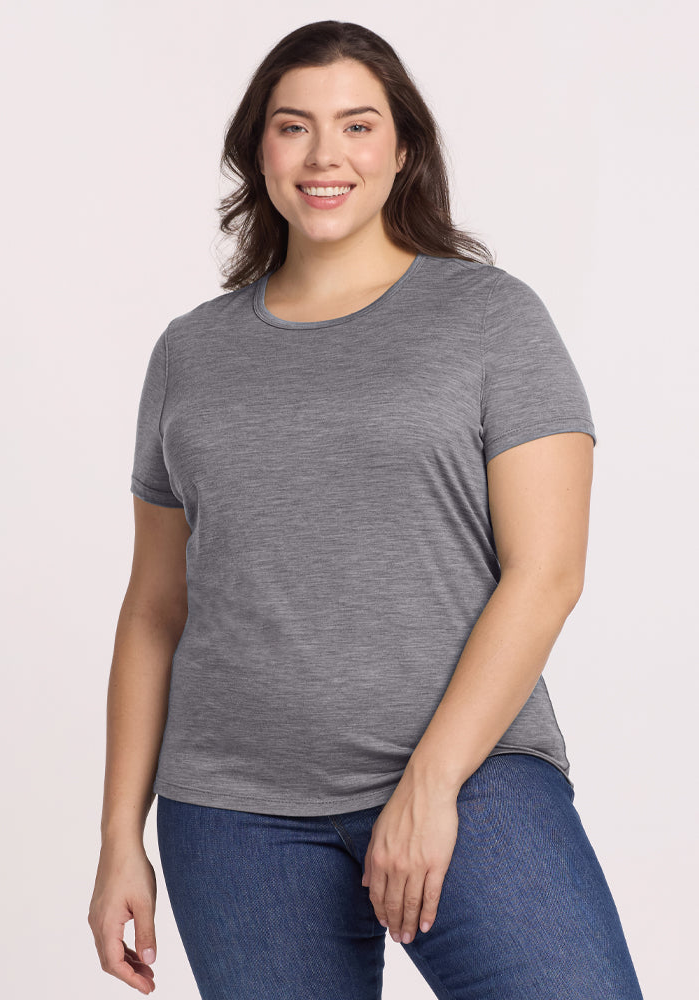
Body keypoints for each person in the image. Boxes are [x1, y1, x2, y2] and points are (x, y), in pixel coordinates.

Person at [88, 19, 645, 1000]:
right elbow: (153, 610)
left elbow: (546, 571)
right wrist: (117, 841)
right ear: (258, 149)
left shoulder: (489, 317)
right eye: (292, 126)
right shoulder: (191, 353)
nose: (324, 156)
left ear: (402, 148)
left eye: (355, 125)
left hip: (471, 774)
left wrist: (430, 783)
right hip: (233, 810)